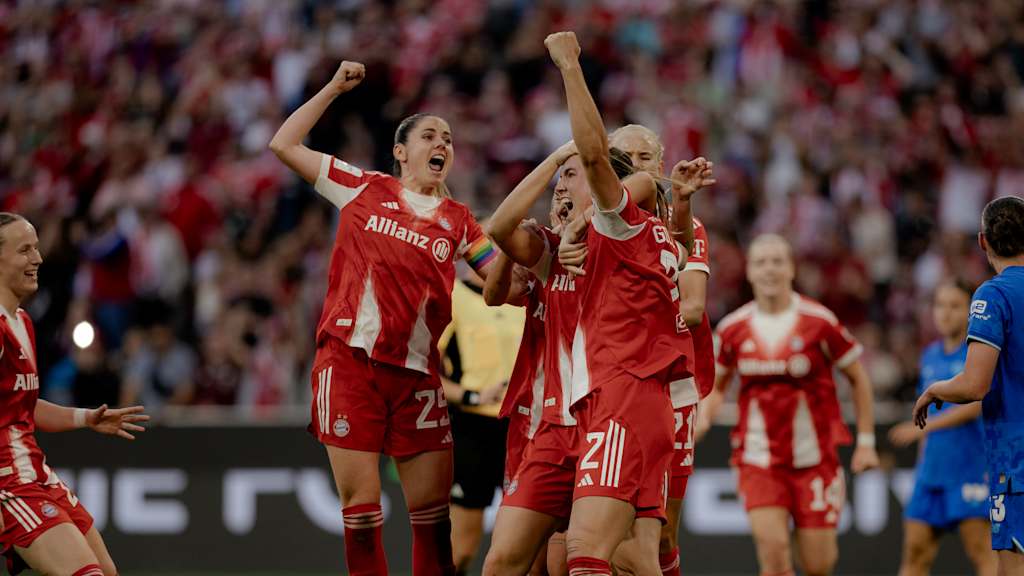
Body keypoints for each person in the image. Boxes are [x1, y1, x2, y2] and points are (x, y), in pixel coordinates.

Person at [269, 61, 497, 576]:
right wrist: (331, 87)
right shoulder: (360, 186)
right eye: (430, 135)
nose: (443, 142)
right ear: (400, 151)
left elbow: (500, 278)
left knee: (433, 520)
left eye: (449, 137)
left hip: (417, 377)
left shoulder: (460, 221)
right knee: (363, 511)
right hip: (350, 365)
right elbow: (283, 145)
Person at [542, 31, 700, 576]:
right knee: (634, 555)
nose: (577, 183)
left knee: (582, 549)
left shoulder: (624, 225)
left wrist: (568, 65)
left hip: (625, 394)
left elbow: (591, 151)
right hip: (636, 397)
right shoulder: (655, 235)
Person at [697, 233, 880, 576]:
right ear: (749, 272)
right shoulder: (733, 328)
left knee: (819, 565)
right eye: (761, 262)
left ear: (792, 269)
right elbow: (716, 387)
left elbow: (859, 378)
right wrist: (703, 418)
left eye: (777, 261)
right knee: (775, 554)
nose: (769, 270)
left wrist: (866, 443)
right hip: (758, 459)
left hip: (815, 461)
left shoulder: (820, 322)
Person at [0, 212, 149, 576]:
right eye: (24, 251)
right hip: (8, 481)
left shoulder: (23, 322)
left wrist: (86, 418)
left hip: (37, 473)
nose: (37, 259)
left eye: (36, 248)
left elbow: (24, 408)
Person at [603, 124, 716, 576]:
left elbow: (691, 308)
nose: (635, 167)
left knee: (663, 528)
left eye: (644, 158)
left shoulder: (686, 226)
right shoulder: (597, 224)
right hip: (608, 382)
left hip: (672, 388)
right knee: (596, 523)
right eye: (624, 158)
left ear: (662, 166)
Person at [914, 196, 1024, 576]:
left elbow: (975, 385)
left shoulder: (993, 295)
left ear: (983, 242)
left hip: (1016, 457)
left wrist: (934, 391)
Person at [889, 280, 996, 576]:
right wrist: (924, 455)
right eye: (939, 306)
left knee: (981, 553)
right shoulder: (930, 355)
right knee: (915, 553)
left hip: (968, 467)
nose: (945, 313)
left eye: (954, 306)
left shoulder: (978, 353)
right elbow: (925, 411)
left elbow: (976, 405)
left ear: (970, 311)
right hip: (931, 471)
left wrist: (922, 430)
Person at [437, 266, 524, 575]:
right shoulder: (453, 297)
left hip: (522, 427)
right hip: (472, 429)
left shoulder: (524, 297)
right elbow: (426, 368)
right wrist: (471, 395)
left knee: (532, 545)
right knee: (460, 549)